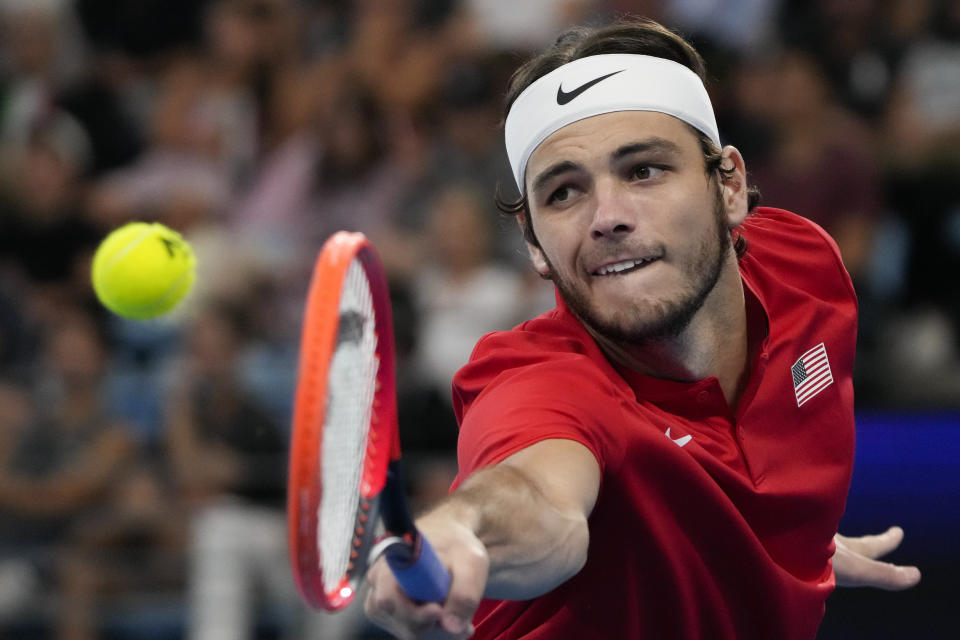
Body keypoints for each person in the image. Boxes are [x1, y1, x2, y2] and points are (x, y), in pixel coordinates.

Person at [363, 17, 921, 640]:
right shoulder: (540, 383)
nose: (607, 217)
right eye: (565, 193)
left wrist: (757, 545)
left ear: (730, 186)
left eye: (645, 171)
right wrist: (460, 533)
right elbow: (539, 500)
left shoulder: (804, 266)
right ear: (534, 245)